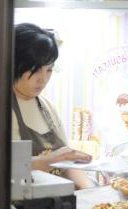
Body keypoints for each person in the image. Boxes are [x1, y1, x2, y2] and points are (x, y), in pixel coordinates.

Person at [12, 23, 94, 189]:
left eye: (49, 70)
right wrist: (45, 162)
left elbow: (66, 160)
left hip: (54, 205)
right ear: (14, 65)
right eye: (34, 70)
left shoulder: (46, 106)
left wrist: (90, 191)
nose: (42, 79)